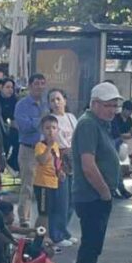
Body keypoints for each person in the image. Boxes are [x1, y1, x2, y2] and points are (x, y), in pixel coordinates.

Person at [71, 83, 123, 263]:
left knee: (93, 248)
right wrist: (104, 193)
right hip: (92, 197)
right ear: (94, 104)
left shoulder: (98, 124)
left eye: (114, 105)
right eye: (107, 105)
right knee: (90, 248)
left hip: (96, 196)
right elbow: (88, 165)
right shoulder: (88, 125)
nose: (112, 110)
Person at [15, 74, 48, 226]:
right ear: (30, 85)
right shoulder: (22, 105)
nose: (40, 86)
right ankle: (24, 218)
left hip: (45, 149)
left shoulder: (46, 103)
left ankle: (43, 218)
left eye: (42, 83)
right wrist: (41, 118)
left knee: (44, 185)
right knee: (27, 185)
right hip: (28, 149)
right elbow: (24, 127)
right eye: (36, 83)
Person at [47, 89, 77, 248]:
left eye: (58, 99)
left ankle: (64, 230)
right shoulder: (50, 121)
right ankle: (56, 234)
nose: (56, 103)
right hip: (58, 158)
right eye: (52, 100)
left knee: (72, 199)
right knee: (60, 200)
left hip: (73, 157)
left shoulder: (71, 118)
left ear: (65, 100)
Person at [33, 115, 64, 243]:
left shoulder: (56, 146)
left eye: (53, 128)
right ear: (42, 130)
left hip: (53, 182)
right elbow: (42, 160)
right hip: (42, 183)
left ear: (57, 130)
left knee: (49, 212)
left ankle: (43, 235)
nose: (50, 131)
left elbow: (56, 162)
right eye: (47, 128)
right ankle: (42, 237)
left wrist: (60, 172)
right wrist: (49, 146)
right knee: (43, 213)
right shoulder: (40, 145)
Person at [110, 100, 132, 198]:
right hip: (115, 141)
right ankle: (118, 188)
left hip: (122, 142)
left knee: (119, 167)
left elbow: (131, 133)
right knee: (116, 166)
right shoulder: (115, 118)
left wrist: (128, 135)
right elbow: (117, 134)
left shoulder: (129, 120)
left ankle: (120, 187)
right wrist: (126, 135)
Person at [0, 78, 20, 173]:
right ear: (1, 88)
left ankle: (12, 163)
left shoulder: (13, 100)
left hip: (7, 127)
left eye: (12, 87)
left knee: (17, 137)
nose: (10, 89)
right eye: (7, 87)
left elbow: (14, 119)